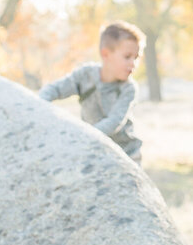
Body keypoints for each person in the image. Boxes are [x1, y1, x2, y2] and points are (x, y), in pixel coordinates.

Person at [38, 22, 143, 159]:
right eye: (127, 57)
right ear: (106, 54)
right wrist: (39, 105)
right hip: (94, 149)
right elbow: (55, 89)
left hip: (126, 153)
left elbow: (114, 121)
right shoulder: (85, 76)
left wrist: (83, 136)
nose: (133, 64)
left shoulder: (128, 88)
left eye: (136, 58)